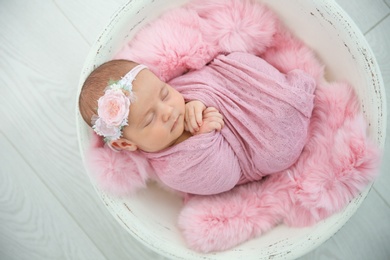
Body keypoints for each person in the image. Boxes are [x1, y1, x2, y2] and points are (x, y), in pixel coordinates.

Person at [79, 52, 316, 195]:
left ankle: (285, 93)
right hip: (257, 148)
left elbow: (206, 78)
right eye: (150, 119)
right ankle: (288, 105)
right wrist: (204, 136)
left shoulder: (178, 97)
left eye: (164, 93)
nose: (169, 111)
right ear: (125, 144)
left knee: (236, 61)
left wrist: (197, 100)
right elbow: (226, 177)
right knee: (278, 152)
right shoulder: (173, 171)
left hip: (239, 89)